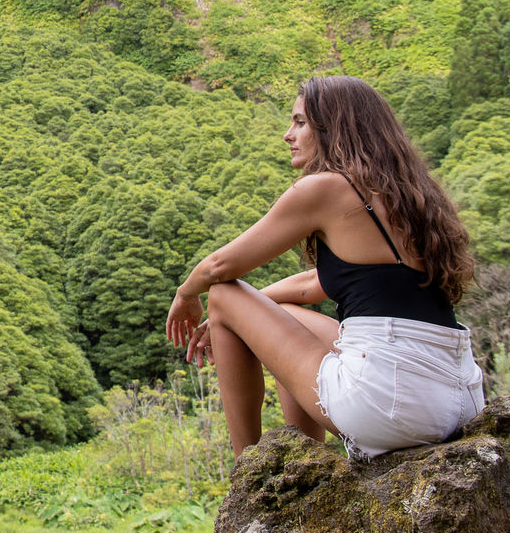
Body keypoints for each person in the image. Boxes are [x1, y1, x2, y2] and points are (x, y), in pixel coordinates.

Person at [164, 75, 484, 459]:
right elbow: (314, 284)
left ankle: (246, 467)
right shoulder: (409, 194)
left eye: (300, 122)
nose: (288, 135)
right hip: (460, 398)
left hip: (391, 401)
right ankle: (309, 466)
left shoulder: (325, 188)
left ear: (334, 128)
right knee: (280, 313)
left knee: (221, 294)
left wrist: (188, 295)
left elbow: (219, 267)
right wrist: (245, 316)